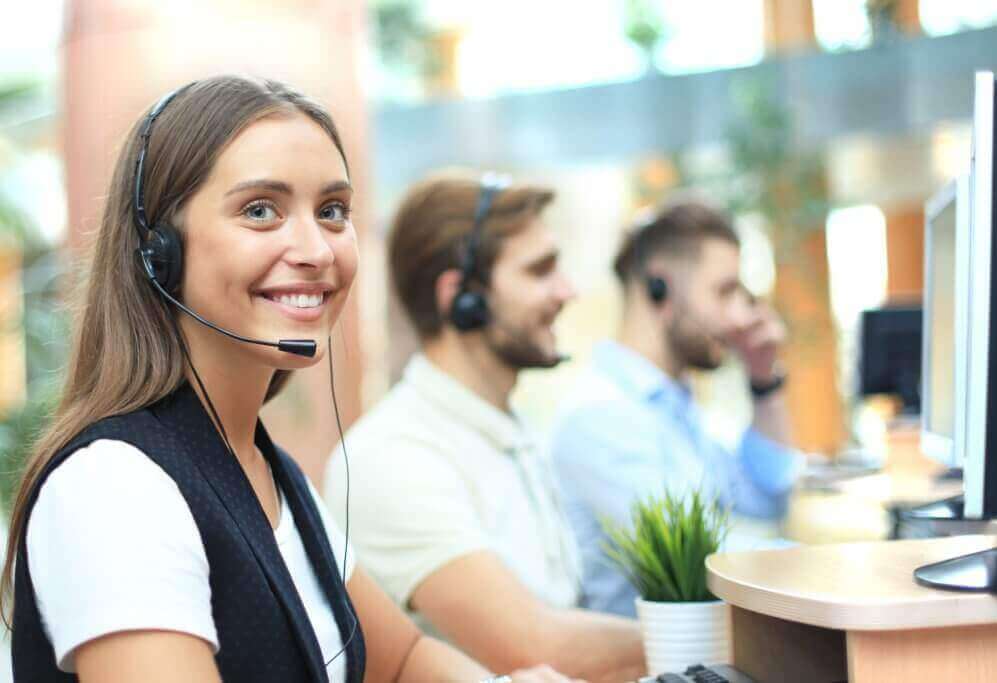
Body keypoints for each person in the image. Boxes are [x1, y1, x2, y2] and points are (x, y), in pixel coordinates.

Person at [1, 76, 578, 683]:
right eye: (260, 210)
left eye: (332, 211)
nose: (316, 249)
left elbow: (401, 660)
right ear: (159, 252)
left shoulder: (270, 471)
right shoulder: (113, 485)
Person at [324, 174, 645, 683]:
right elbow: (538, 648)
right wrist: (726, 629)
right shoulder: (391, 457)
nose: (568, 291)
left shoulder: (518, 431)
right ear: (461, 298)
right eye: (540, 271)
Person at [551, 198, 805, 618]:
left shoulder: (674, 407)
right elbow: (701, 559)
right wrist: (828, 564)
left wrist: (763, 378)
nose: (738, 318)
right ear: (660, 289)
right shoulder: (600, 417)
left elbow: (768, 496)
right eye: (724, 292)